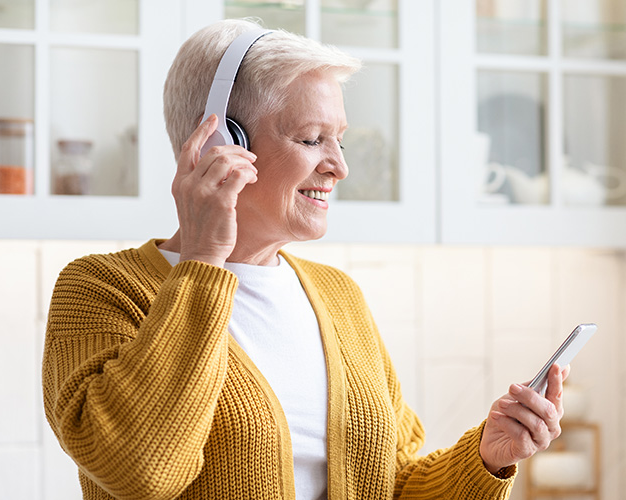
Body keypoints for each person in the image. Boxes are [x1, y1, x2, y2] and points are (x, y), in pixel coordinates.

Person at [42, 18, 569, 500]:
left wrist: (485, 458)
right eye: (312, 139)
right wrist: (203, 261)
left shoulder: (338, 297)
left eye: (339, 140)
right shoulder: (99, 290)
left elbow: (395, 482)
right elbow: (140, 471)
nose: (338, 166)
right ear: (219, 144)